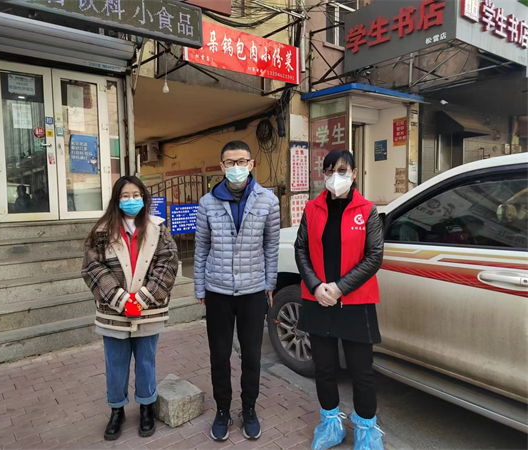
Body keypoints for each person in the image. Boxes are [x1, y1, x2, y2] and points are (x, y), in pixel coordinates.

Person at [294, 150, 384, 450]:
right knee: (324, 368)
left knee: (361, 371)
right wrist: (316, 286)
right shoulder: (312, 209)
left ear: (354, 174)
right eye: (330, 170)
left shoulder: (367, 210)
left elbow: (374, 256)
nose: (336, 176)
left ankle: (366, 430)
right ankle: (331, 424)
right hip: (318, 299)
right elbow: (301, 249)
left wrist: (340, 288)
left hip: (356, 302)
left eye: (342, 170)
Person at [82, 176, 178, 441]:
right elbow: (92, 267)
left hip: (148, 310)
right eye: (125, 196)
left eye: (136, 195)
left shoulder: (158, 228)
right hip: (114, 312)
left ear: (144, 198)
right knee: (116, 364)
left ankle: (146, 407)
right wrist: (121, 299)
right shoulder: (101, 232)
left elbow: (168, 264)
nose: (131, 200)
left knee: (146, 362)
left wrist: (143, 298)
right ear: (117, 199)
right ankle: (117, 410)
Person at [195, 141, 280, 442]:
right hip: (217, 291)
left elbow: (271, 246)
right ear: (222, 166)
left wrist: (269, 285)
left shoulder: (268, 201)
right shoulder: (207, 203)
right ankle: (222, 410)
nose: (236, 167)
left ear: (251, 164)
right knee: (219, 355)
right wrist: (199, 286)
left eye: (241, 161)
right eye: (230, 162)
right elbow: (201, 247)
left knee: (252, 356)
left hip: (253, 291)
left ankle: (249, 409)